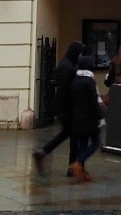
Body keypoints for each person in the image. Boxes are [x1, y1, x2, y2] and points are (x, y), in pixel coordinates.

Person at [33, 40, 83, 177]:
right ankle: (72, 166)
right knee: (73, 136)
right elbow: (67, 89)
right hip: (68, 107)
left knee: (67, 134)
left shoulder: (64, 63)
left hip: (63, 107)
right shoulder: (69, 67)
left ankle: (43, 153)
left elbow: (55, 81)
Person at [68, 52, 105, 182]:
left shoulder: (75, 80)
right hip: (89, 118)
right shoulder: (89, 81)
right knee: (95, 143)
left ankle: (81, 171)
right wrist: (100, 117)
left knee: (83, 143)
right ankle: (78, 163)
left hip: (77, 117)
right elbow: (93, 101)